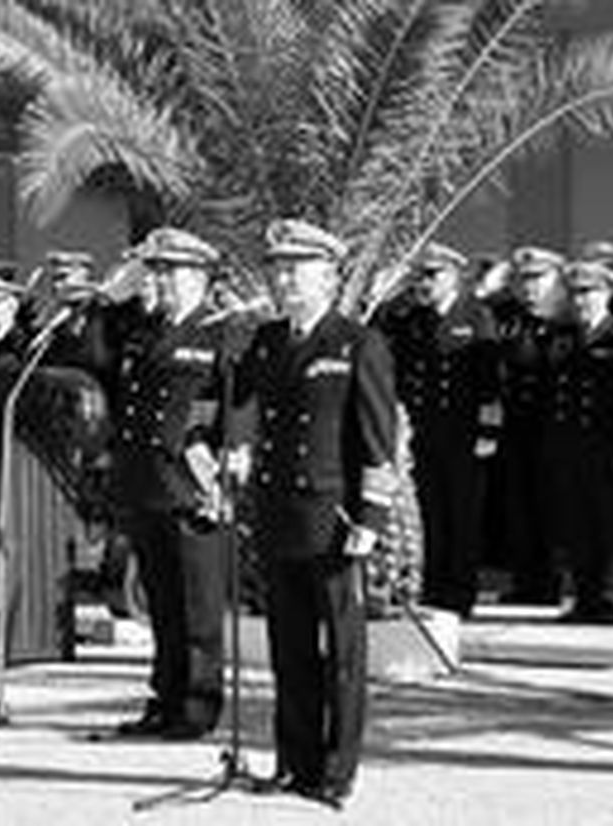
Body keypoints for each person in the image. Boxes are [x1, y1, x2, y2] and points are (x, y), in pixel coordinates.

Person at [232, 219, 398, 808]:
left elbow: (380, 440)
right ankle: (294, 761)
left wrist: (372, 520)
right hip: (279, 514)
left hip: (333, 521)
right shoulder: (267, 340)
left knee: (343, 656)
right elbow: (237, 400)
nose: (284, 278)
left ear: (329, 276)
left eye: (296, 268)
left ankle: (336, 770)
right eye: (278, 268)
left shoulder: (358, 343)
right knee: (290, 648)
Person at [105, 228, 238, 741]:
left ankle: (198, 706)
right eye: (156, 271)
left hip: (192, 485)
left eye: (172, 272)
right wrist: (117, 288)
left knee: (197, 605)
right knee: (162, 601)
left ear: (200, 277)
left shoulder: (221, 332)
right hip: (146, 479)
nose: (161, 281)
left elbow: (237, 412)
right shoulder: (143, 328)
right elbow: (95, 348)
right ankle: (165, 699)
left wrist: (220, 481)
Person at [375, 242, 497, 618]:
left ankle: (460, 593)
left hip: (463, 434)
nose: (424, 283)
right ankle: (433, 588)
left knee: (462, 515)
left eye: (433, 275)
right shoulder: (410, 318)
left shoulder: (476, 316)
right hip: (421, 433)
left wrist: (488, 433)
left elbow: (490, 380)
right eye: (420, 276)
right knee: (429, 514)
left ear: (454, 275)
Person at [549, 260, 613, 624]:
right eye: (576, 293)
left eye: (589, 292)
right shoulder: (565, 335)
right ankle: (584, 595)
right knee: (577, 524)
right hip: (571, 444)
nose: (582, 300)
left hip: (608, 445)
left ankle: (611, 596)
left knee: (609, 524)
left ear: (606, 293)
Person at [493, 247, 570, 605]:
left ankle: (551, 580)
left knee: (552, 508)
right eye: (524, 280)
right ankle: (527, 581)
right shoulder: (511, 320)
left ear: (558, 279)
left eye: (538, 279)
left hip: (554, 428)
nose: (530, 288)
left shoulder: (566, 323)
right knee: (519, 506)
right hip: (517, 427)